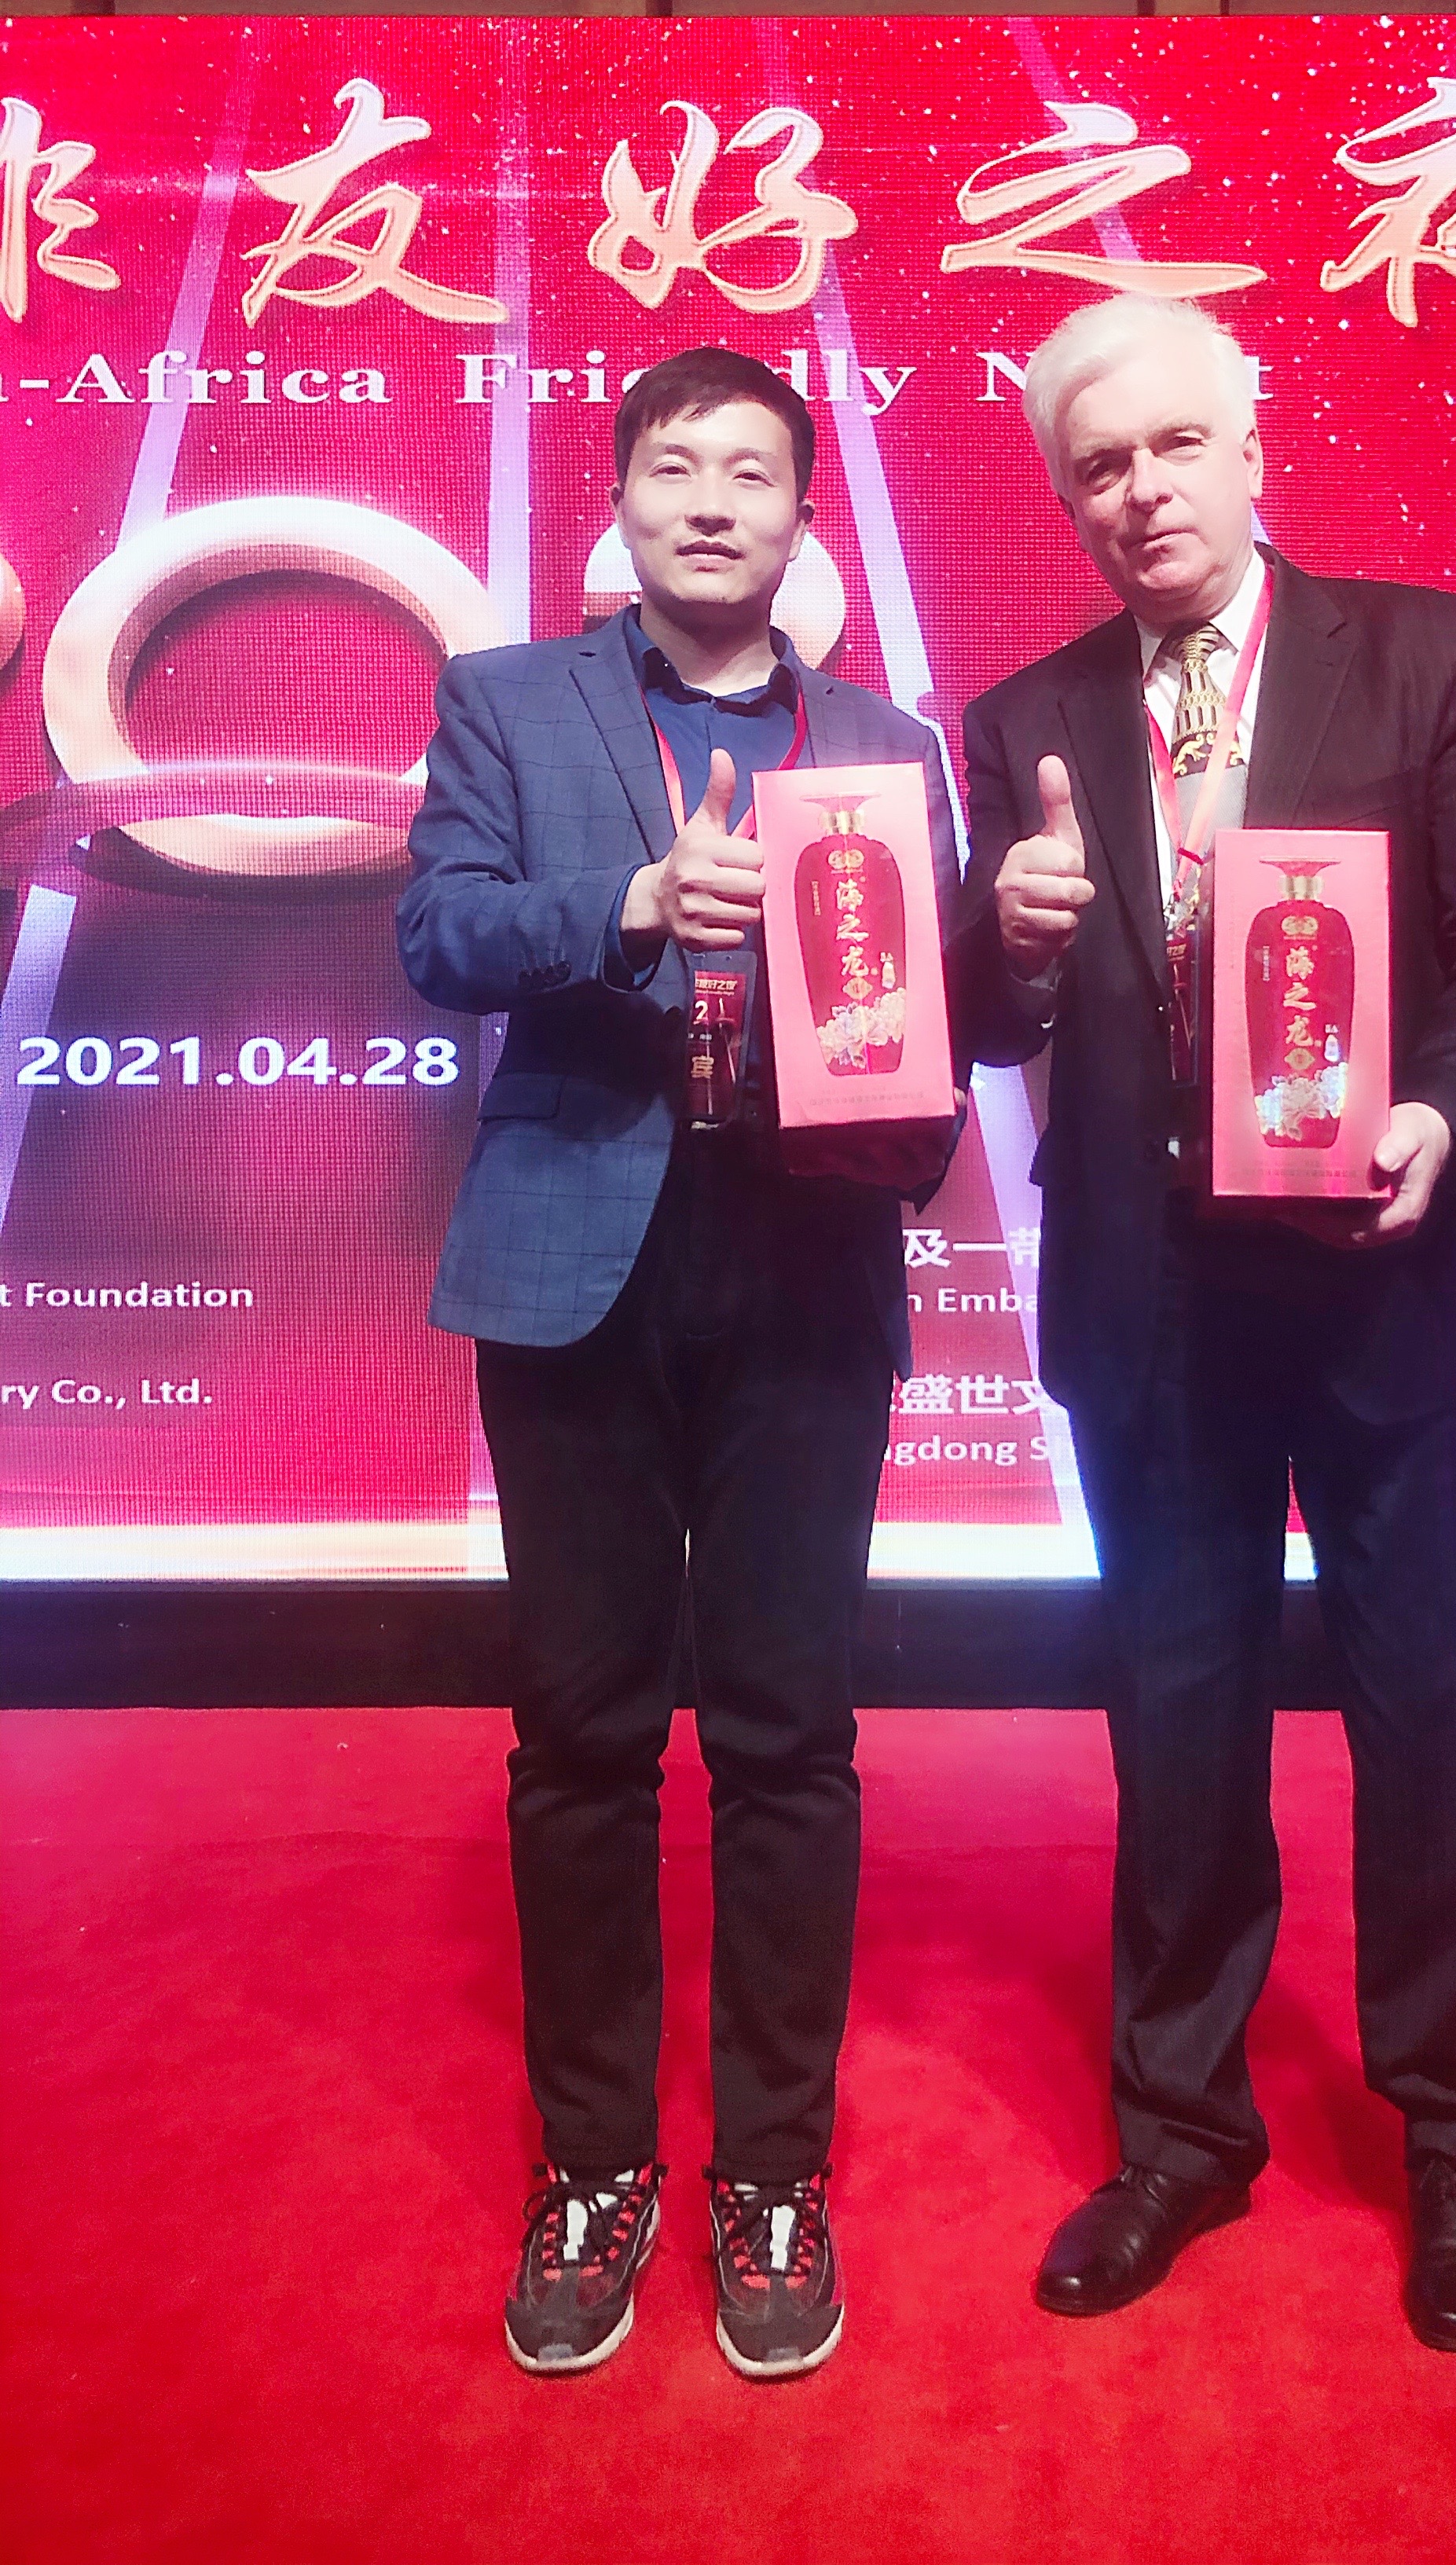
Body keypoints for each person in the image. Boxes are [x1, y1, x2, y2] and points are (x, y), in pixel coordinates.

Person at [948, 294, 1456, 2352]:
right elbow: (979, 1018)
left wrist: (1446, 1108)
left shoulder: (1424, 652)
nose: (1139, 491)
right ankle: (1179, 2137)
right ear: (1070, 505)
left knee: (1431, 1717)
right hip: (1155, 1306)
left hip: (1382, 1272)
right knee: (1175, 1730)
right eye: (1098, 469)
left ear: (1247, 447)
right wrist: (1000, 942)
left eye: (1170, 446)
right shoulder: (1027, 718)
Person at [398, 348, 957, 2383]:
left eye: (751, 473)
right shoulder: (507, 700)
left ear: (804, 517)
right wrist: (628, 904)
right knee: (582, 1738)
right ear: (622, 501)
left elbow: (931, 1002)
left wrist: (1012, 954)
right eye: (672, 468)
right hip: (579, 1273)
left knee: (790, 1739)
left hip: (807, 1273)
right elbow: (440, 938)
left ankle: (773, 2171)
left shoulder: (883, 740)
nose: (711, 501)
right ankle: (593, 2162)